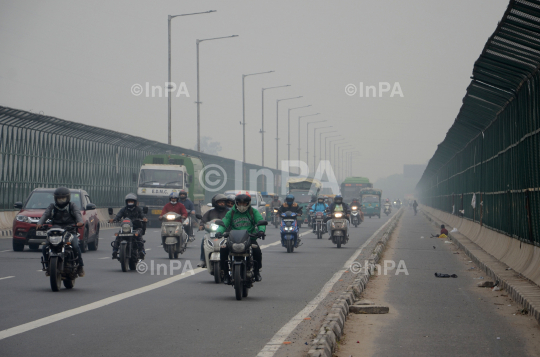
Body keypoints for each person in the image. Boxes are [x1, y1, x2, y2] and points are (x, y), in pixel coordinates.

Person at [216, 192, 266, 284]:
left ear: (248, 203)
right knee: (223, 249)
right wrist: (219, 231)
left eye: (244, 203)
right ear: (236, 203)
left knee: (257, 251)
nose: (242, 206)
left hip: (250, 238)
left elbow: (260, 221)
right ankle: (226, 273)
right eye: (240, 203)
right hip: (234, 238)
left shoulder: (253, 211)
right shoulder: (231, 212)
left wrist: (261, 231)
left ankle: (256, 272)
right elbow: (224, 223)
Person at [37, 187, 85, 277]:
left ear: (68, 198)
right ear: (55, 198)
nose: (61, 201)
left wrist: (80, 222)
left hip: (70, 231)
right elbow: (45, 214)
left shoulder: (72, 206)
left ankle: (80, 267)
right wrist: (40, 223)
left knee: (75, 246)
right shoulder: (52, 206)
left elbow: (77, 214)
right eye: (59, 199)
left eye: (63, 198)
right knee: (44, 247)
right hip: (55, 230)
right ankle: (48, 267)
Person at [109, 193, 148, 259]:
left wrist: (144, 218)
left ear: (135, 202)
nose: (130, 203)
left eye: (132, 201)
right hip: (126, 228)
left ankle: (142, 251)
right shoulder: (123, 209)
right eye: (129, 201)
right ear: (126, 202)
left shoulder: (138, 209)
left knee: (138, 236)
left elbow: (142, 215)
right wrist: (114, 219)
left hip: (136, 227)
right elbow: (118, 216)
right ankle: (114, 251)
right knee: (118, 236)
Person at [197, 194, 229, 268]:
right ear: (215, 203)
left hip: (225, 233)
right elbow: (203, 220)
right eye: (220, 202)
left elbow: (233, 220)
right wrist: (201, 225)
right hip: (211, 233)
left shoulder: (228, 212)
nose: (222, 203)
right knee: (204, 239)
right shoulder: (210, 212)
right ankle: (203, 259)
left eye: (223, 202)